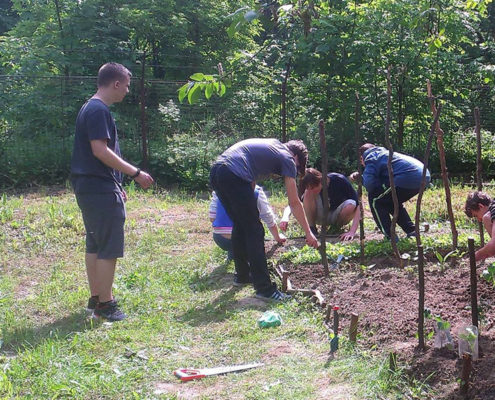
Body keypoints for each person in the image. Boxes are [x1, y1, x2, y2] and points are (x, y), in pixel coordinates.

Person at [70, 62, 154, 321]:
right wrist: (135, 173)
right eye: (126, 86)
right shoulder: (98, 110)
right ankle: (106, 304)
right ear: (116, 83)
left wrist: (115, 185)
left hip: (92, 187)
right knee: (108, 246)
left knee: (95, 241)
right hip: (97, 188)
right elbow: (100, 150)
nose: (127, 91)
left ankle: (96, 297)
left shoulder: (89, 107)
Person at [209, 138, 318, 301]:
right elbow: (294, 202)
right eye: (298, 165)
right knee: (255, 230)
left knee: (241, 224)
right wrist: (309, 233)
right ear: (294, 156)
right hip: (232, 174)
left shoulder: (270, 148)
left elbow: (250, 182)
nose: (294, 169)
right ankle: (265, 289)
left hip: (218, 171)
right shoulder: (286, 157)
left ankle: (243, 275)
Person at [350, 143, 430, 240]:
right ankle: (411, 231)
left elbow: (370, 185)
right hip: (423, 176)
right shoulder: (384, 153)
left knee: (375, 200)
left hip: (408, 177)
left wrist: (360, 179)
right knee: (390, 200)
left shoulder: (371, 157)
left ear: (361, 158)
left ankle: (390, 237)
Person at [209, 185, 286, 262]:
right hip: (245, 240)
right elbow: (268, 218)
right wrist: (277, 237)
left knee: (234, 241)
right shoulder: (256, 191)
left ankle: (233, 255)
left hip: (221, 239)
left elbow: (212, 218)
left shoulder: (219, 189)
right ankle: (249, 259)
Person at [280, 168, 361, 241]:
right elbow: (293, 203)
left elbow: (358, 204)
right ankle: (312, 229)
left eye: (313, 187)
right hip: (319, 215)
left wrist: (352, 231)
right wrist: (285, 217)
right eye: (309, 187)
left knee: (352, 204)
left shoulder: (339, 180)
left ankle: (335, 229)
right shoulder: (309, 190)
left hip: (337, 215)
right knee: (308, 193)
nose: (312, 190)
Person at [464, 191, 495, 261]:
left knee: (486, 218)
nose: (479, 220)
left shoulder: (492, 212)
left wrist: (476, 256)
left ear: (480, 206)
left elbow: (494, 245)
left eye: (476, 216)